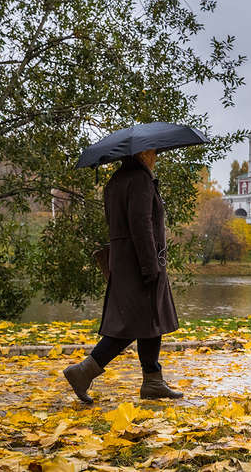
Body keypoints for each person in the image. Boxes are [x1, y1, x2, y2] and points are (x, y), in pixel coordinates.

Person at [63, 149, 182, 403]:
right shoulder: (139, 180)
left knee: (150, 321)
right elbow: (141, 226)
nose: (155, 156)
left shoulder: (116, 180)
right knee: (131, 324)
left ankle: (153, 381)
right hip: (141, 263)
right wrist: (150, 266)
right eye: (153, 152)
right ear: (142, 153)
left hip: (125, 262)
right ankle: (83, 372)